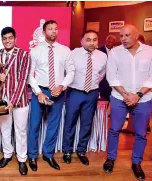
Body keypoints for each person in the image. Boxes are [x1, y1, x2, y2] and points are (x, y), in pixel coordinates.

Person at [103, 24, 152, 181]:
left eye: (127, 35)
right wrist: (126, 94)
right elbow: (111, 76)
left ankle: (136, 163)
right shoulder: (115, 53)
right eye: (121, 36)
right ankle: (110, 159)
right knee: (114, 130)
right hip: (119, 98)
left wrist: (137, 95)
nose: (123, 39)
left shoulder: (149, 52)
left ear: (136, 35)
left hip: (143, 99)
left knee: (141, 134)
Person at [28, 20, 75, 172]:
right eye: (50, 29)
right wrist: (38, 92)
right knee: (34, 125)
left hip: (58, 92)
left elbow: (71, 71)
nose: (54, 31)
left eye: (56, 28)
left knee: (53, 125)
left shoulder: (65, 50)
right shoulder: (35, 51)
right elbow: (29, 74)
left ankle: (48, 154)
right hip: (40, 91)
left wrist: (62, 86)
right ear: (43, 32)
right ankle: (32, 155)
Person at [62, 30, 107, 166]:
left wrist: (92, 85)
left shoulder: (103, 56)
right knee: (70, 122)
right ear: (82, 41)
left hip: (92, 93)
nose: (92, 42)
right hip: (74, 92)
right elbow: (66, 72)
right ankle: (67, 151)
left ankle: (81, 151)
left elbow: (102, 74)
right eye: (88, 39)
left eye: (94, 40)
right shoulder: (72, 53)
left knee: (87, 124)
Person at [0, 27, 30, 175]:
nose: (7, 41)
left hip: (19, 100)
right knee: (5, 129)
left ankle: (22, 159)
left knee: (20, 131)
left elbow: (23, 80)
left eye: (10, 38)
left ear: (15, 39)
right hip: (3, 98)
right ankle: (7, 155)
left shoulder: (23, 54)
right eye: (5, 38)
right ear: (2, 40)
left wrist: (13, 101)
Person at [98, 35, 116, 102]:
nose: (109, 44)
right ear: (106, 41)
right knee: (101, 101)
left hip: (112, 80)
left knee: (111, 100)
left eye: (112, 42)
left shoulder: (116, 52)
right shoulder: (99, 50)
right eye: (109, 42)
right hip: (101, 81)